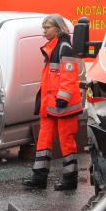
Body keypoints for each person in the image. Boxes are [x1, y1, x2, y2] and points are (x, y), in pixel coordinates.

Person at [22, 14, 83, 191]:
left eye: (47, 27)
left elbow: (69, 76)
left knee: (66, 142)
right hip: (51, 104)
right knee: (43, 141)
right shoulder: (54, 47)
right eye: (43, 28)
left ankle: (70, 180)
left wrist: (62, 98)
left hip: (63, 105)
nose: (44, 32)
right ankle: (39, 177)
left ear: (58, 28)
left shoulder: (64, 47)